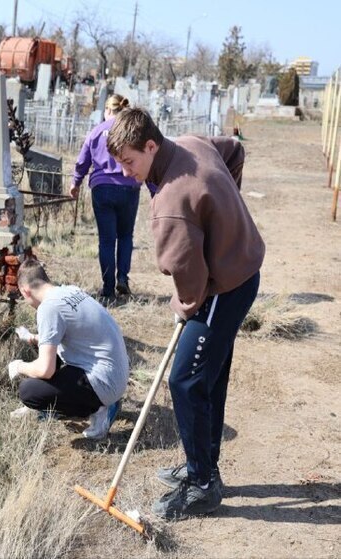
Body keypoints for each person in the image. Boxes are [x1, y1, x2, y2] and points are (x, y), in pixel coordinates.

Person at [106, 107, 264, 520]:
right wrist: (223, 213)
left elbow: (189, 282)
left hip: (226, 286)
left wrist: (184, 306)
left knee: (185, 378)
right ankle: (203, 466)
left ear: (151, 145)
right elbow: (234, 152)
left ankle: (202, 485)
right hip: (245, 269)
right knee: (208, 375)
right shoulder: (190, 143)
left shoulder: (170, 203)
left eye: (129, 162)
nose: (125, 173)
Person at [7, 259, 129, 440]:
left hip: (105, 383)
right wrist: (32, 337)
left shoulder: (48, 308)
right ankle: (98, 402)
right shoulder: (70, 291)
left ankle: (99, 410)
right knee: (49, 353)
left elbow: (45, 370)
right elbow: (66, 337)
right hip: (116, 373)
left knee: (29, 391)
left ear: (25, 291)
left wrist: (18, 366)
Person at [71, 94, 142, 301]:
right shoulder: (132, 132)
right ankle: (123, 278)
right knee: (126, 235)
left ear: (107, 110)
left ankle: (108, 287)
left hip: (102, 188)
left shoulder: (96, 131)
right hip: (129, 187)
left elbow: (82, 161)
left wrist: (75, 183)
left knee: (107, 240)